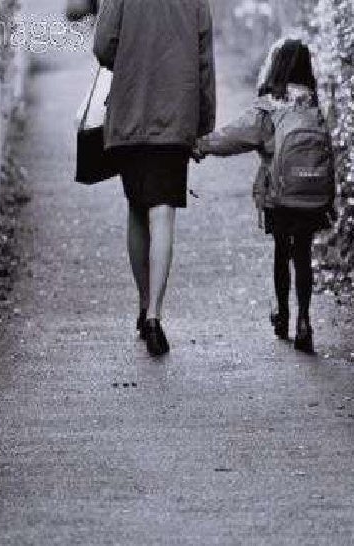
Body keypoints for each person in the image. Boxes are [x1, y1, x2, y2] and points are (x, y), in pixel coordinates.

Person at [194, 39, 333, 354]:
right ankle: (304, 321)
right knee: (303, 254)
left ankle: (282, 315)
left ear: (276, 66)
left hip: (279, 195)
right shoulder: (317, 104)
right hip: (312, 193)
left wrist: (201, 145)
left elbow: (235, 136)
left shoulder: (271, 106)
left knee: (282, 251)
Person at [93, 0, 216, 357]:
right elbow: (205, 63)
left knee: (137, 209)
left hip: (130, 111)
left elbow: (103, 47)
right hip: (176, 116)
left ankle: (143, 300)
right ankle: (154, 316)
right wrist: (204, 122)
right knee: (162, 213)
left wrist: (132, 54)